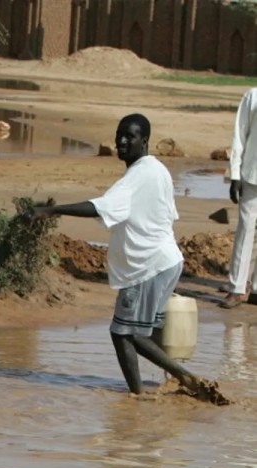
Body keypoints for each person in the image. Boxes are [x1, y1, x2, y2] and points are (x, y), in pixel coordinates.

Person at [26, 113, 211, 398]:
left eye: (130, 136)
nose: (122, 141)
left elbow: (101, 207)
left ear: (145, 141)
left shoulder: (138, 175)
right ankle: (148, 392)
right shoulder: (158, 170)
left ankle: (180, 379)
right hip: (166, 262)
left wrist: (50, 210)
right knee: (139, 332)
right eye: (119, 135)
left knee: (126, 332)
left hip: (147, 266)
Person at [219, 87, 257, 309]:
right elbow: (239, 134)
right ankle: (237, 288)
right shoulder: (253, 96)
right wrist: (235, 174)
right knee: (246, 230)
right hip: (252, 174)